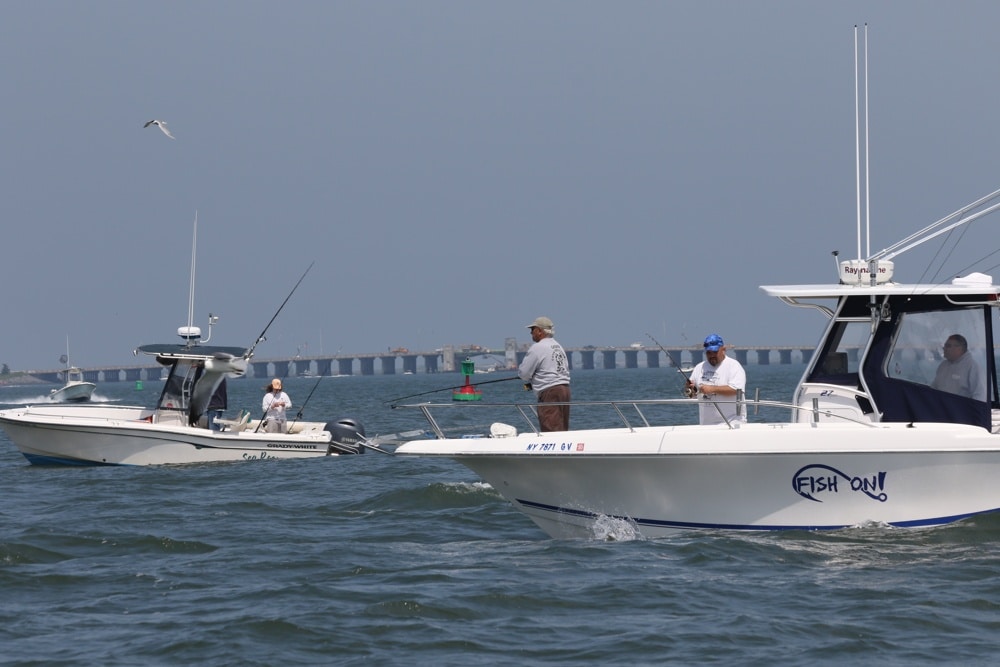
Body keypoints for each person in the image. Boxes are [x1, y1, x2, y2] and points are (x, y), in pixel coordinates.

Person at [518, 316, 571, 432]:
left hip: (550, 393)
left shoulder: (537, 347)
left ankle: (553, 450)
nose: (531, 333)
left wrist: (530, 377)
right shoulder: (558, 346)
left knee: (551, 430)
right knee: (562, 429)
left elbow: (524, 374)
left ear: (540, 331)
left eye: (533, 329)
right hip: (565, 390)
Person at [685, 333, 746, 425]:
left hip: (732, 423)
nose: (712, 355)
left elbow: (737, 390)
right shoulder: (699, 367)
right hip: (706, 425)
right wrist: (689, 389)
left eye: (715, 352)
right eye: (709, 352)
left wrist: (712, 389)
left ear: (723, 350)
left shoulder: (734, 366)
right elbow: (692, 394)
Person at [932, 334, 986, 401]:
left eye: (948, 346)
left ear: (959, 349)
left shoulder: (973, 367)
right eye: (945, 346)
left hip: (960, 409)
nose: (944, 348)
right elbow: (934, 388)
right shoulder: (943, 366)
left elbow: (980, 396)